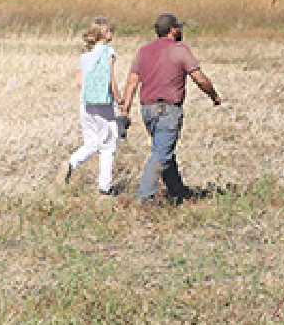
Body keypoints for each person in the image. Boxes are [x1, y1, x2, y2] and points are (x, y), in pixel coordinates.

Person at [118, 13, 222, 204]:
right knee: (161, 154)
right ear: (173, 30)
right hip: (168, 110)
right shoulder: (179, 50)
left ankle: (177, 190)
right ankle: (144, 198)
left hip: (147, 110)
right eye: (179, 27)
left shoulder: (143, 51)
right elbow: (199, 78)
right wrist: (214, 96)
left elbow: (132, 82)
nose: (181, 30)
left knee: (163, 149)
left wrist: (125, 109)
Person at [63, 18, 124, 194]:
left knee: (91, 142)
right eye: (109, 30)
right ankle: (104, 187)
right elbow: (111, 80)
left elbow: (79, 81)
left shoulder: (85, 56)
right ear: (103, 34)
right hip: (103, 104)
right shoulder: (109, 52)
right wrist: (119, 99)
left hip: (86, 103)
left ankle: (71, 163)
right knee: (109, 144)